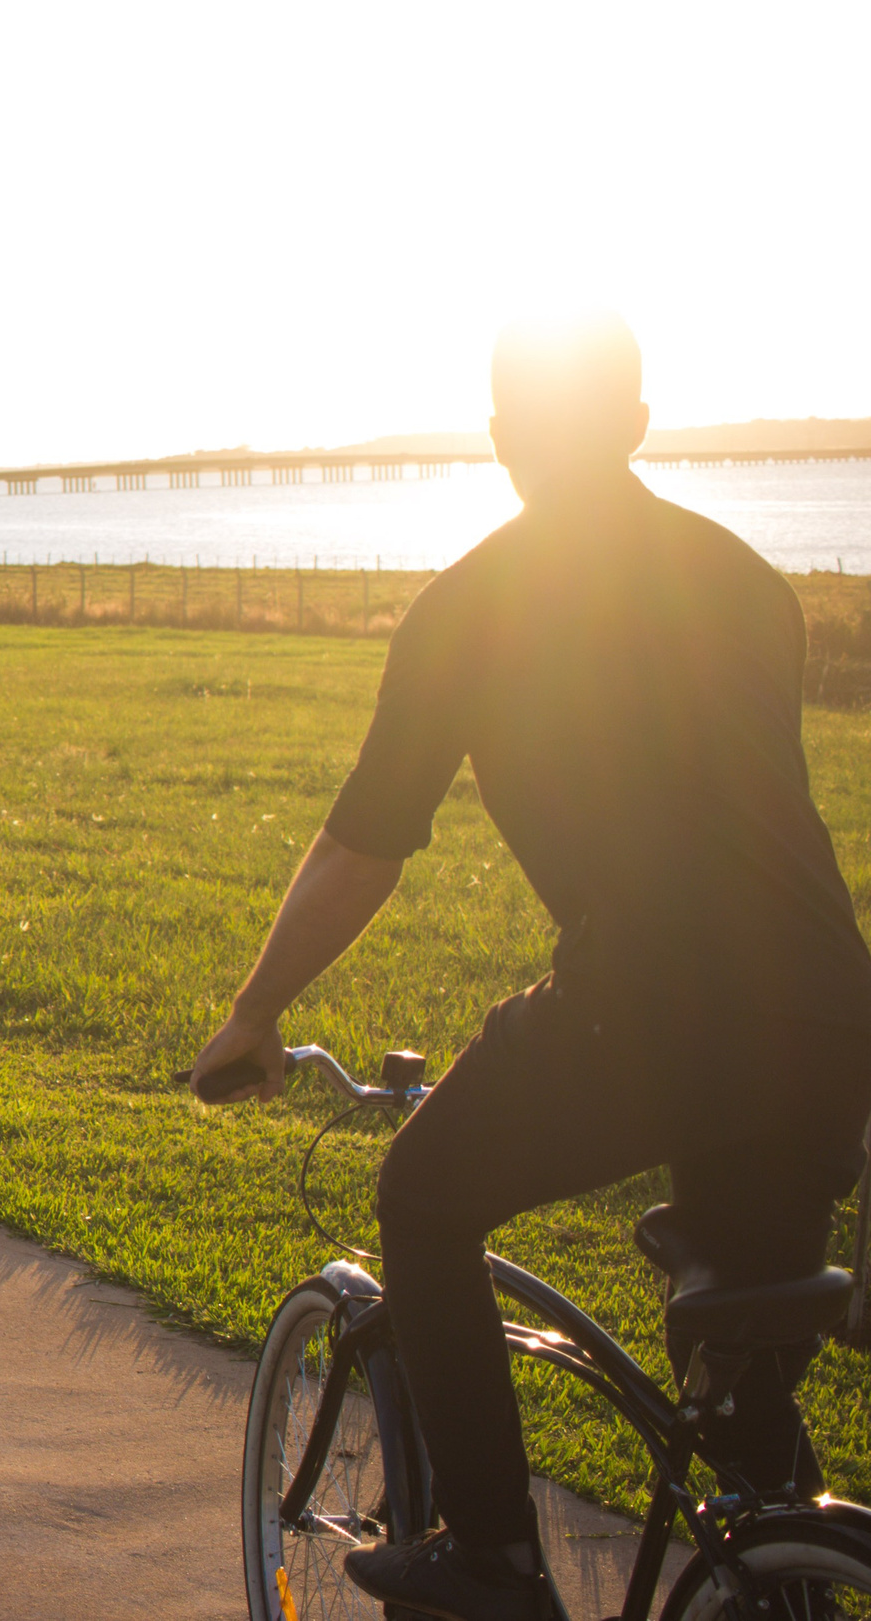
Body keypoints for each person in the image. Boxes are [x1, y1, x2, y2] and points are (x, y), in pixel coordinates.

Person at [190, 313, 871, 1621]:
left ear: (502, 440)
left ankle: (490, 1550)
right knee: (736, 1378)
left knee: (427, 1194)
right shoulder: (747, 583)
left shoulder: (472, 606)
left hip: (654, 1009)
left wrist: (253, 1011)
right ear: (637, 424)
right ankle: (788, 1577)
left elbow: (362, 845)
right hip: (832, 1022)